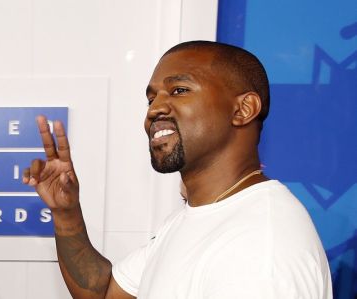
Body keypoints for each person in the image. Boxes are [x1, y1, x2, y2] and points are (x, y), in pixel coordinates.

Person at [23, 41, 332, 298]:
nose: (154, 108)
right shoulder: (201, 214)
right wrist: (67, 213)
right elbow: (105, 293)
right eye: (151, 97)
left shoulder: (262, 247)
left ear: (242, 109)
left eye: (179, 90)